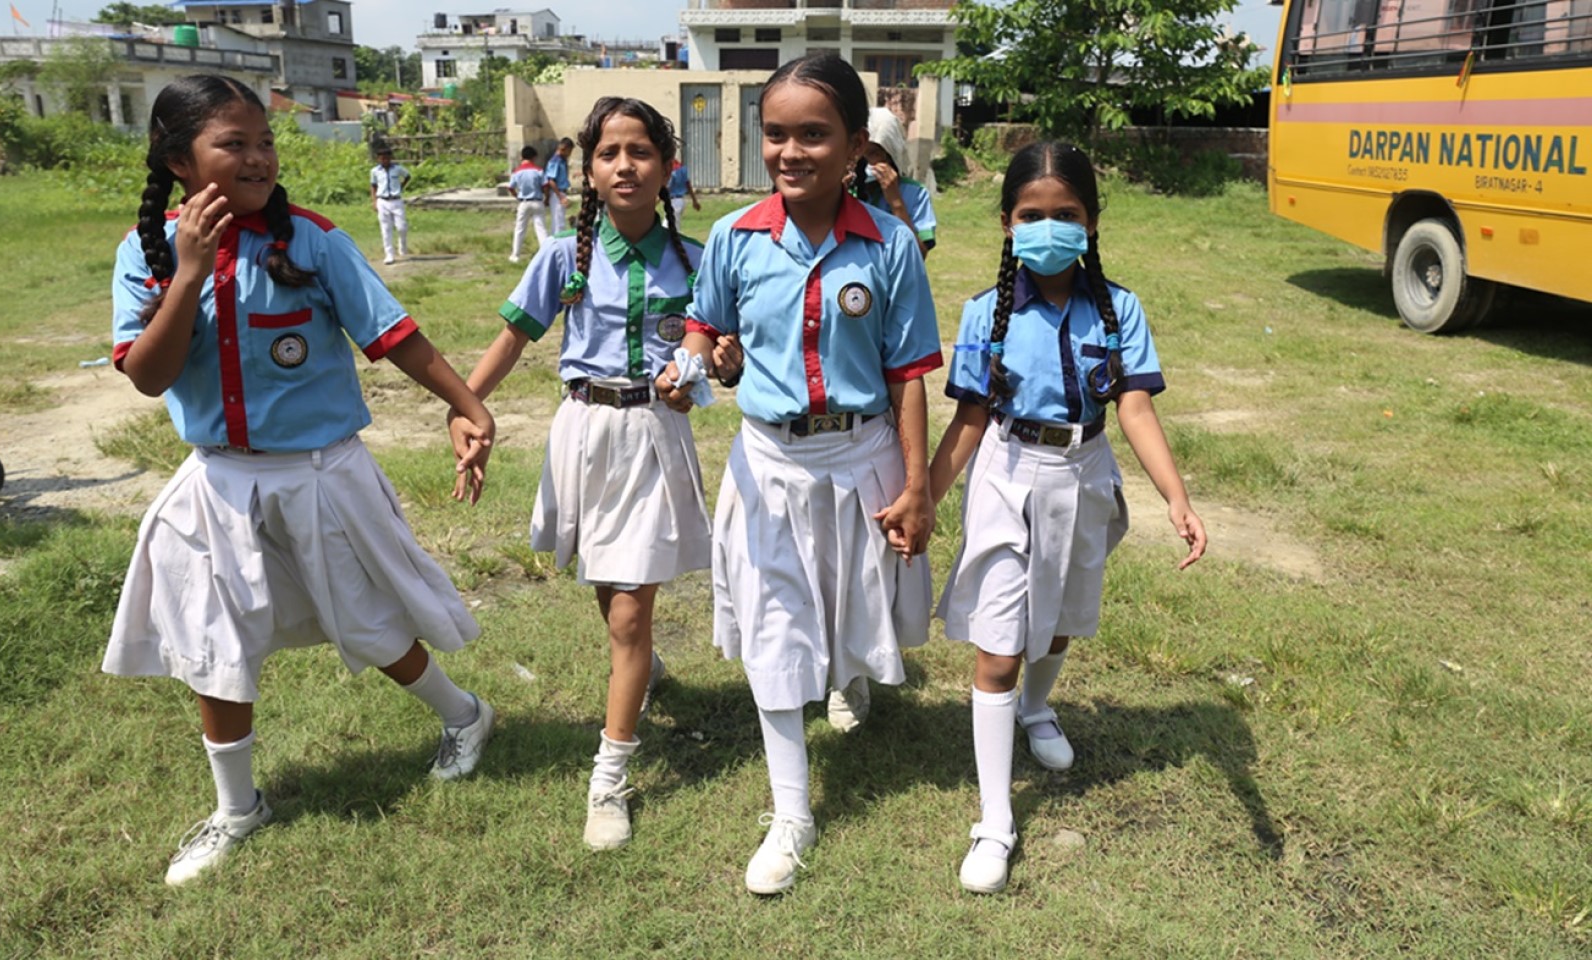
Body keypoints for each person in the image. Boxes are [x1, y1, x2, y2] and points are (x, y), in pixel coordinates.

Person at [103, 75, 498, 887]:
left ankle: (465, 715)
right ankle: (238, 809)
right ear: (181, 161)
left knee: (367, 620)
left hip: (322, 473)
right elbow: (148, 377)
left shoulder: (313, 240)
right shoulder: (146, 254)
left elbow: (394, 336)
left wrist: (465, 405)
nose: (257, 157)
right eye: (232, 144)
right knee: (215, 645)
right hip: (216, 483)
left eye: (264, 142)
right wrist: (187, 275)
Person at [667, 53, 941, 895]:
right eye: (777, 134)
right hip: (769, 461)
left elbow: (906, 375)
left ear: (856, 144)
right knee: (777, 628)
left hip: (861, 456)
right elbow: (702, 329)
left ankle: (849, 678)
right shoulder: (734, 238)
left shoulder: (890, 244)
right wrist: (692, 366)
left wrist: (918, 483)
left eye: (814, 135)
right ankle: (793, 813)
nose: (792, 151)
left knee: (855, 605)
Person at [927, 142, 1208, 895]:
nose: (1048, 228)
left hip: (1082, 476)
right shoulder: (986, 313)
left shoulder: (1119, 311)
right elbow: (970, 419)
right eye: (1032, 216)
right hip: (1009, 475)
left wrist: (1176, 498)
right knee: (999, 643)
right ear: (1007, 222)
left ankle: (1038, 710)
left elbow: (1137, 409)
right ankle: (994, 821)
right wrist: (924, 496)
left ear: (1090, 222)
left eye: (1066, 215)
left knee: (1057, 625)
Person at [449, 97, 712, 853]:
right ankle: (644, 665)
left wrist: (700, 374)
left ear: (666, 167)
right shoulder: (564, 257)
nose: (624, 165)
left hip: (654, 436)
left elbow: (714, 357)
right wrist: (465, 409)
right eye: (608, 153)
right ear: (587, 170)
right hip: (585, 434)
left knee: (629, 613)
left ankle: (610, 776)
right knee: (609, 591)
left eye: (640, 152)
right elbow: (512, 339)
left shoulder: (695, 261)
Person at [854, 107, 936, 258]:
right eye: (859, 153)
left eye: (873, 153)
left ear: (890, 156)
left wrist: (896, 202)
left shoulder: (915, 194)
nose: (864, 161)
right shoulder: (845, 188)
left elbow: (919, 255)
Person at [370, 146, 412, 265]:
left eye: (387, 158)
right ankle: (389, 254)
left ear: (390, 158)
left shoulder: (397, 169)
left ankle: (402, 244)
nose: (384, 161)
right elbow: (373, 185)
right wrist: (374, 201)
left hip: (396, 200)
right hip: (382, 201)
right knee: (385, 228)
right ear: (378, 159)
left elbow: (408, 176)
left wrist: (400, 187)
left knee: (401, 227)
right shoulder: (375, 171)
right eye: (382, 159)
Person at [508, 145, 549, 263]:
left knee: (519, 229)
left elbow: (511, 187)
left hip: (524, 202)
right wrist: (546, 198)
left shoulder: (517, 171)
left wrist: (517, 196)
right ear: (534, 157)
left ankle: (515, 255)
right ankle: (545, 253)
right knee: (541, 229)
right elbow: (545, 186)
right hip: (537, 201)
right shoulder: (538, 170)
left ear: (522, 157)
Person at [544, 136, 574, 234]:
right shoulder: (555, 161)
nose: (570, 154)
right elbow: (551, 180)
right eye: (569, 151)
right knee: (558, 223)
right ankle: (557, 244)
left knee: (559, 220)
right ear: (564, 148)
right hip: (557, 194)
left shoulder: (562, 160)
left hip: (561, 193)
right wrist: (560, 197)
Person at [667, 157, 701, 225]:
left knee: (669, 226)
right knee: (672, 225)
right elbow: (688, 184)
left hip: (674, 201)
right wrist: (694, 201)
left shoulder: (672, 171)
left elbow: (667, 188)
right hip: (680, 201)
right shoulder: (682, 169)